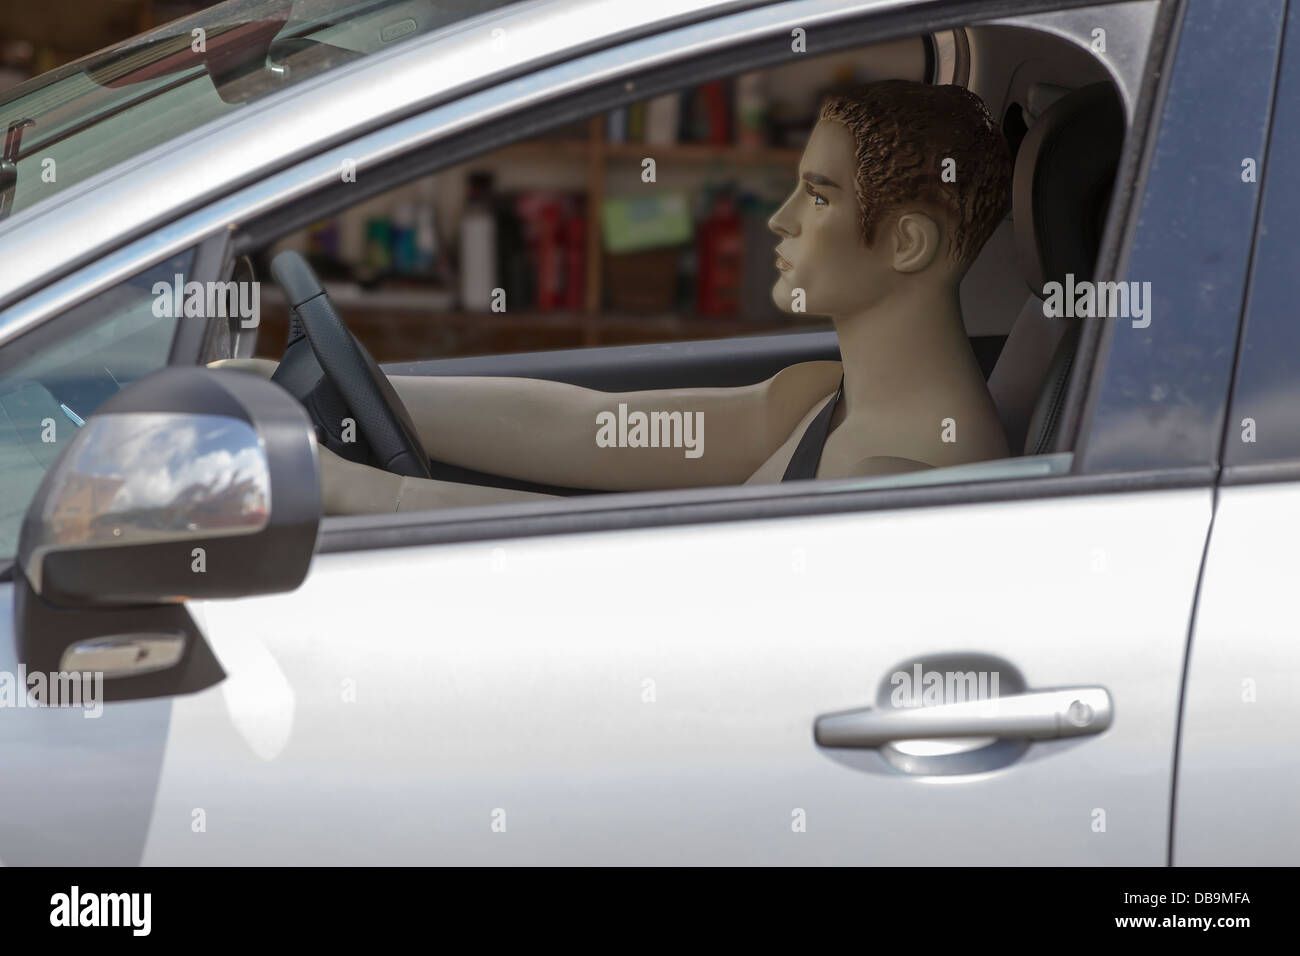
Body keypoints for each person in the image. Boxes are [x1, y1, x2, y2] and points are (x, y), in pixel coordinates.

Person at [266, 79, 1014, 513]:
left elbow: (638, 584)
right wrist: (329, 387)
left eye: (817, 197)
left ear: (908, 243)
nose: (779, 219)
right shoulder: (821, 399)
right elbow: (588, 427)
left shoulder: (895, 487)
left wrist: (344, 486)